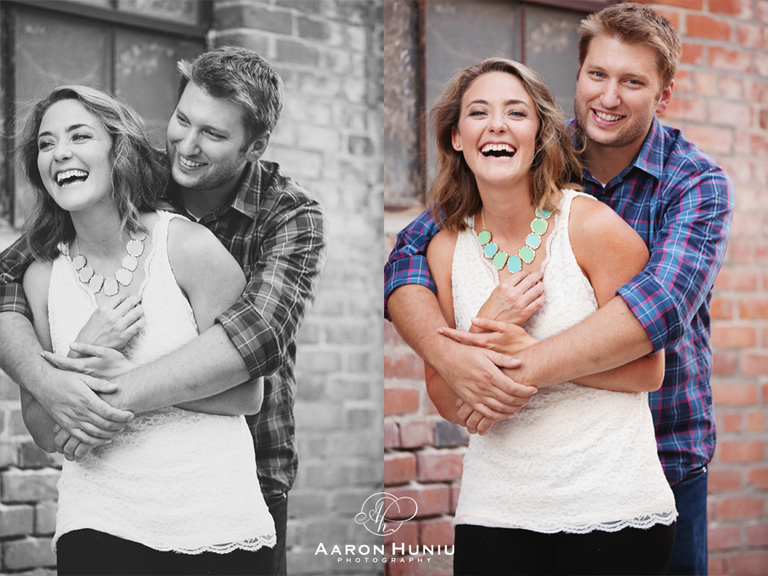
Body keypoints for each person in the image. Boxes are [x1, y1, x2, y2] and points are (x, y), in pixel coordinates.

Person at [384, 4, 733, 575]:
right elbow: (406, 259)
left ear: (663, 95)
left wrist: (506, 364)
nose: (609, 96)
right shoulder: (534, 152)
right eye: (597, 75)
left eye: (632, 81)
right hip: (515, 488)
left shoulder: (695, 182)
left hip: (662, 453)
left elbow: (660, 309)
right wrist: (452, 355)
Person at [0, 47, 327, 576]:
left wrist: (100, 395)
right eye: (181, 121)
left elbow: (257, 339)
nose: (187, 146)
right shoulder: (134, 176)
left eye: (213, 135)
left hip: (248, 467)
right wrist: (51, 383)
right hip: (105, 508)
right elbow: (7, 277)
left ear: (256, 145)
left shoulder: (288, 215)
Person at [423, 56, 676, 576]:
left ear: (539, 134)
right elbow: (447, 395)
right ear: (456, 137)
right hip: (494, 508)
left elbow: (649, 370)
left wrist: (527, 360)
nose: (496, 125)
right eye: (478, 113)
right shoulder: (446, 249)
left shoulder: (589, 227)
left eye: (516, 113)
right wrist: (489, 326)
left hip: (612, 507)